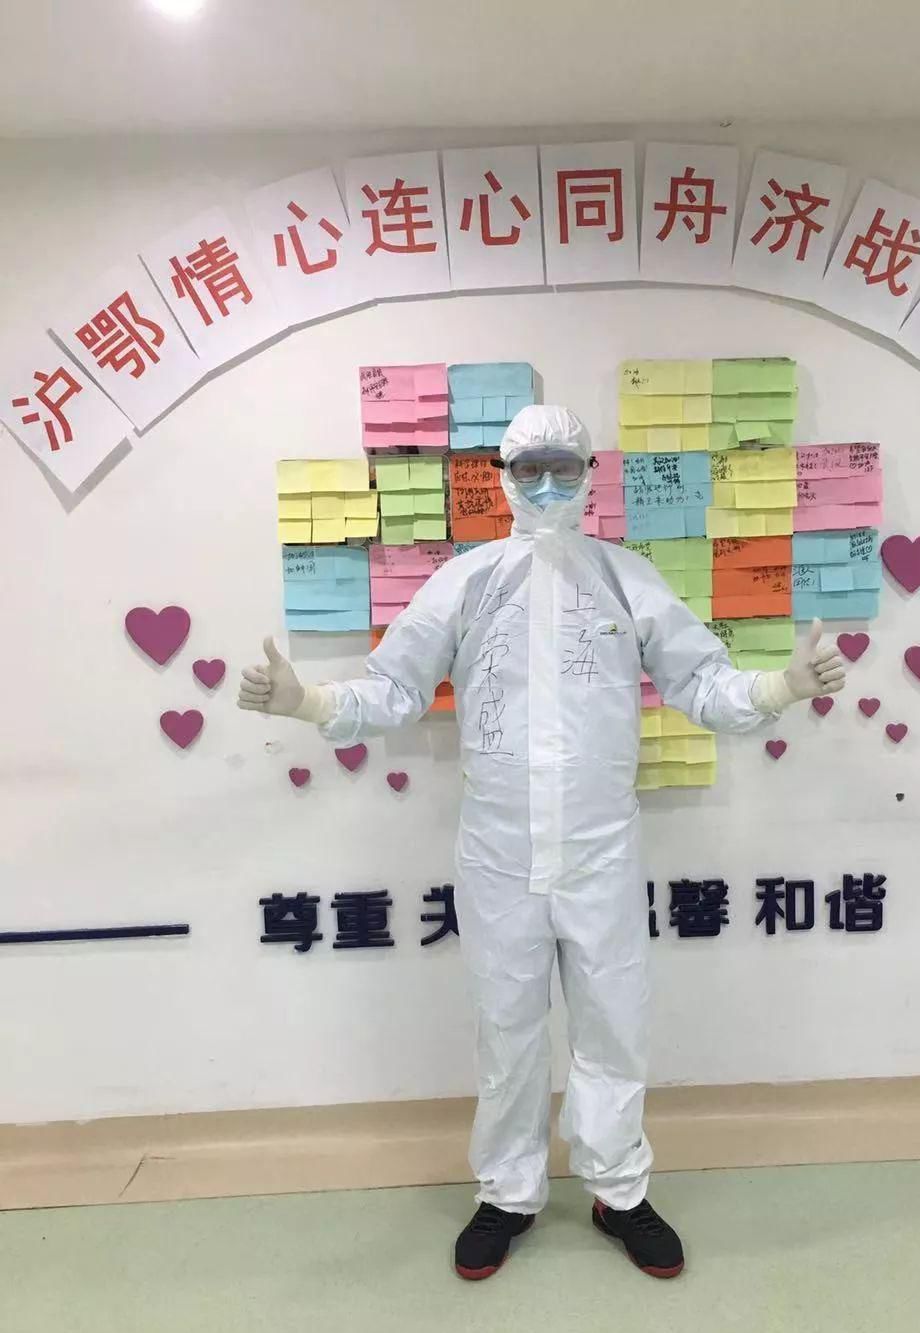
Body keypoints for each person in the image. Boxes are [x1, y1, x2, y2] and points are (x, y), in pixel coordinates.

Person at [239, 405, 845, 1281]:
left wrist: (784, 685)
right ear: (504, 476)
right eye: (531, 468)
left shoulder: (627, 580)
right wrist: (306, 702)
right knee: (508, 1030)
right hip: (500, 855)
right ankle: (508, 1191)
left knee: (615, 1023)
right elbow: (394, 686)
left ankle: (619, 1190)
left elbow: (705, 682)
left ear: (589, 471)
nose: (549, 483)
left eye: (565, 466)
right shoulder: (465, 582)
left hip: (601, 851)